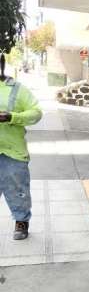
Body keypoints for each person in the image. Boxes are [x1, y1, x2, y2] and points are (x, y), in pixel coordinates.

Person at [0, 74, 42, 240]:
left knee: (17, 189)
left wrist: (12, 117)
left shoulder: (17, 89)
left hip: (13, 151)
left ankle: (21, 221)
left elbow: (36, 113)